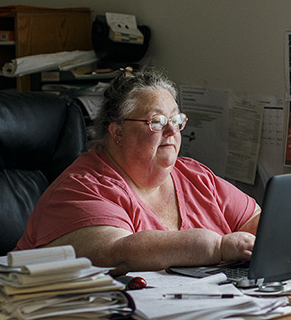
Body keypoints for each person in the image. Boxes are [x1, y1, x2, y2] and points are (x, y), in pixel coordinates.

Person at [17, 69, 262, 271]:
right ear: (117, 132)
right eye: (157, 122)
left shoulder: (195, 175)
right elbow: (119, 253)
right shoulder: (82, 188)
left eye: (176, 120)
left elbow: (256, 223)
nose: (172, 132)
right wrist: (218, 246)